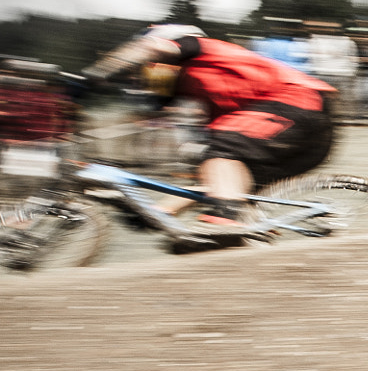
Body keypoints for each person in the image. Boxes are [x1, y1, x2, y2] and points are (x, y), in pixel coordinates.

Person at [81, 24, 335, 236]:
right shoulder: (190, 86)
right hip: (301, 129)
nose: (147, 71)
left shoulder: (198, 48)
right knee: (219, 171)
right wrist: (153, 211)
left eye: (149, 65)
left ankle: (226, 218)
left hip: (301, 104)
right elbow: (155, 115)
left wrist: (99, 72)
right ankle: (177, 214)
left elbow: (152, 48)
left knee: (222, 151)